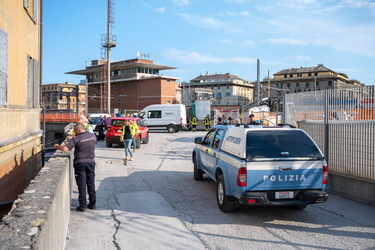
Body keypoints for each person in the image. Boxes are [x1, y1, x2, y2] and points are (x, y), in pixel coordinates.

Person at [54, 123, 97, 212]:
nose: (74, 132)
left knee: (81, 185)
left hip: (80, 163)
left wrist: (57, 146)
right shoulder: (93, 136)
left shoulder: (77, 138)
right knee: (91, 183)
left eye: (74, 130)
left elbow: (65, 149)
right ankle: (92, 204)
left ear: (77, 130)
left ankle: (82, 205)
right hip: (91, 162)